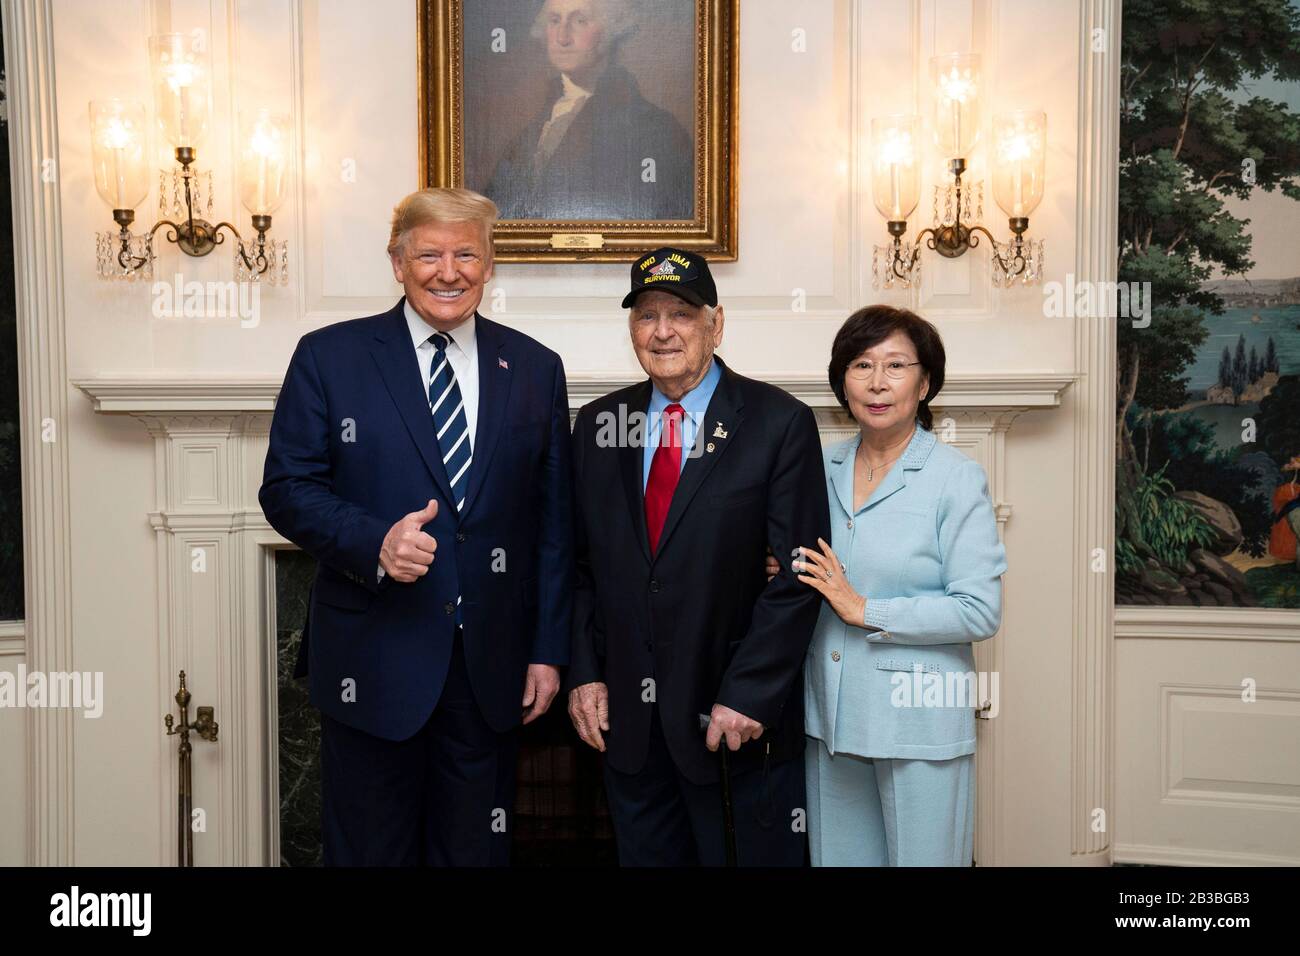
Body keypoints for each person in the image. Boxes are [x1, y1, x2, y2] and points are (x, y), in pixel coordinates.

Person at [258, 188, 573, 865]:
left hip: (490, 670)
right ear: (397, 263)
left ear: (490, 266)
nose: (449, 271)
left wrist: (547, 650)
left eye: (467, 254)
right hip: (372, 661)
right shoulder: (329, 357)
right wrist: (374, 541)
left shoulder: (536, 369)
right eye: (429, 254)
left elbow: (553, 527)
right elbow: (286, 489)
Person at [566, 246, 830, 866]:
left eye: (681, 313)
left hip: (734, 724)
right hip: (627, 730)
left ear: (716, 323)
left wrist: (750, 694)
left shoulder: (778, 422)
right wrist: (584, 672)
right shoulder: (600, 425)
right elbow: (576, 567)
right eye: (646, 315)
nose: (662, 331)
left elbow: (799, 574)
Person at [789, 305, 1006, 866]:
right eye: (861, 365)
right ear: (842, 380)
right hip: (830, 719)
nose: (877, 382)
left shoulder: (955, 478)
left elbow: (979, 610)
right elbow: (811, 568)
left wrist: (864, 608)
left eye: (896, 365)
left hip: (919, 724)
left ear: (925, 381)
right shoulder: (816, 466)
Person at [486, 0, 693, 221]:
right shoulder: (531, 132)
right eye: (554, 20)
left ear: (611, 30)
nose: (562, 37)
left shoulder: (656, 130)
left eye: (580, 21)